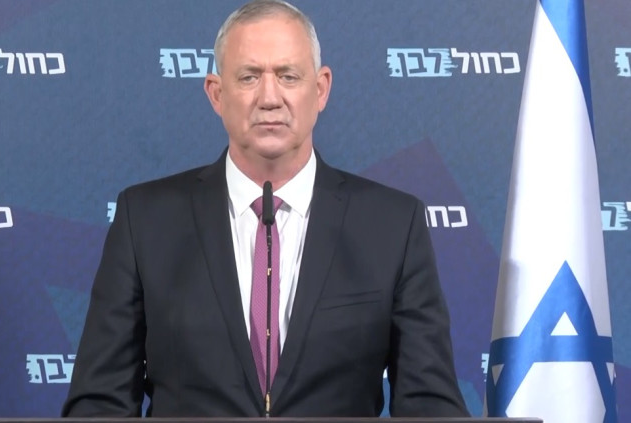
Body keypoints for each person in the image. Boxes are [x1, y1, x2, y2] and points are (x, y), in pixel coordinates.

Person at [62, 0, 468, 417]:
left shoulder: (393, 226)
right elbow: (99, 404)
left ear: (321, 89)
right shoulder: (145, 220)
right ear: (216, 93)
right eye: (249, 77)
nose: (270, 98)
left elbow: (430, 406)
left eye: (288, 76)